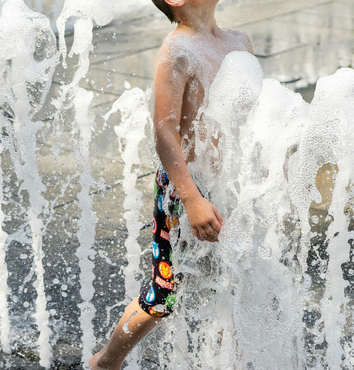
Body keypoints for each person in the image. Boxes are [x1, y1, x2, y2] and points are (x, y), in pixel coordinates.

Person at [89, 0, 253, 369]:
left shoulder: (240, 42)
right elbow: (164, 131)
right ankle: (106, 362)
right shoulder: (177, 50)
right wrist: (192, 199)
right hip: (186, 189)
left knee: (240, 279)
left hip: (228, 185)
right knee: (164, 293)